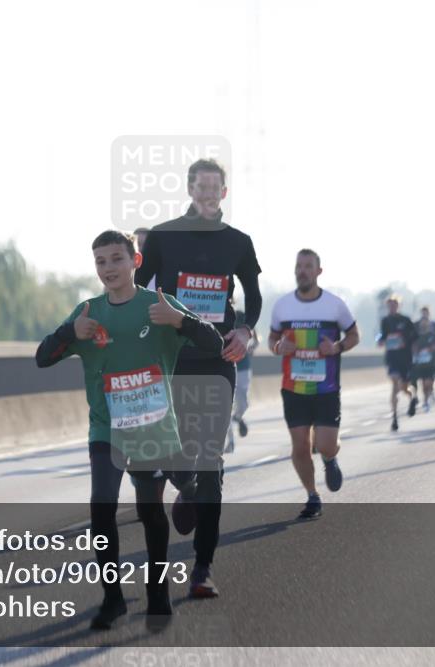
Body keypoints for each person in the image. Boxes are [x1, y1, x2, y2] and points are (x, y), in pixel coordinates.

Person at [35, 230, 223, 630]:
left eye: (117, 259)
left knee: (149, 513)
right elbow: (42, 358)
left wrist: (180, 320)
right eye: (101, 262)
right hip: (106, 429)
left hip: (153, 430)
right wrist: (70, 333)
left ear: (135, 261)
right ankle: (113, 598)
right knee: (101, 508)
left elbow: (213, 342)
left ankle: (157, 592)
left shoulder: (158, 305)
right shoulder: (88, 312)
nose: (108, 269)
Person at [135, 158, 262, 599]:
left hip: (217, 357)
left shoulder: (239, 243)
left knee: (211, 463)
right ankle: (185, 485)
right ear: (190, 189)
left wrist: (246, 330)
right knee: (173, 454)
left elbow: (254, 295)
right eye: (201, 185)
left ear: (223, 193)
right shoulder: (164, 236)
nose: (208, 193)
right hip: (170, 360)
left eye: (215, 187)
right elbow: (136, 287)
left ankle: (203, 568)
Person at [269, 249, 359, 520]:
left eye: (308, 266)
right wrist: (279, 347)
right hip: (293, 388)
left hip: (326, 389)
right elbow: (272, 339)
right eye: (299, 266)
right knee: (300, 446)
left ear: (319, 271)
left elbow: (354, 334)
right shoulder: (283, 305)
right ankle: (312, 496)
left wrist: (337, 347)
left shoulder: (334, 304)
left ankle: (330, 459)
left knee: (326, 444)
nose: (302, 271)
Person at [378, 296, 417, 431]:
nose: (392, 307)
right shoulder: (385, 321)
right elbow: (382, 336)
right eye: (390, 305)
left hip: (405, 358)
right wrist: (381, 341)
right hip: (392, 357)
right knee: (395, 385)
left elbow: (414, 337)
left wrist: (405, 342)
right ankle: (395, 417)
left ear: (399, 305)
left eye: (395, 304)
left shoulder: (406, 320)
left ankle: (413, 397)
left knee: (404, 388)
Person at [226, 306, 258, 453]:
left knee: (242, 402)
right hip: (225, 364)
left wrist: (250, 347)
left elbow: (255, 340)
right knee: (224, 405)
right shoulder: (215, 311)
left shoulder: (243, 316)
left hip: (243, 366)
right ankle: (230, 442)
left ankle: (238, 417)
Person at [410, 307, 435, 412]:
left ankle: (430, 394)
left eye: (425, 324)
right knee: (424, 383)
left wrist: (431, 348)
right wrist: (415, 350)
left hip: (431, 363)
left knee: (428, 383)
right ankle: (426, 401)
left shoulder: (433, 335)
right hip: (421, 363)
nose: (423, 326)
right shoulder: (416, 336)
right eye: (422, 325)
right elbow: (412, 346)